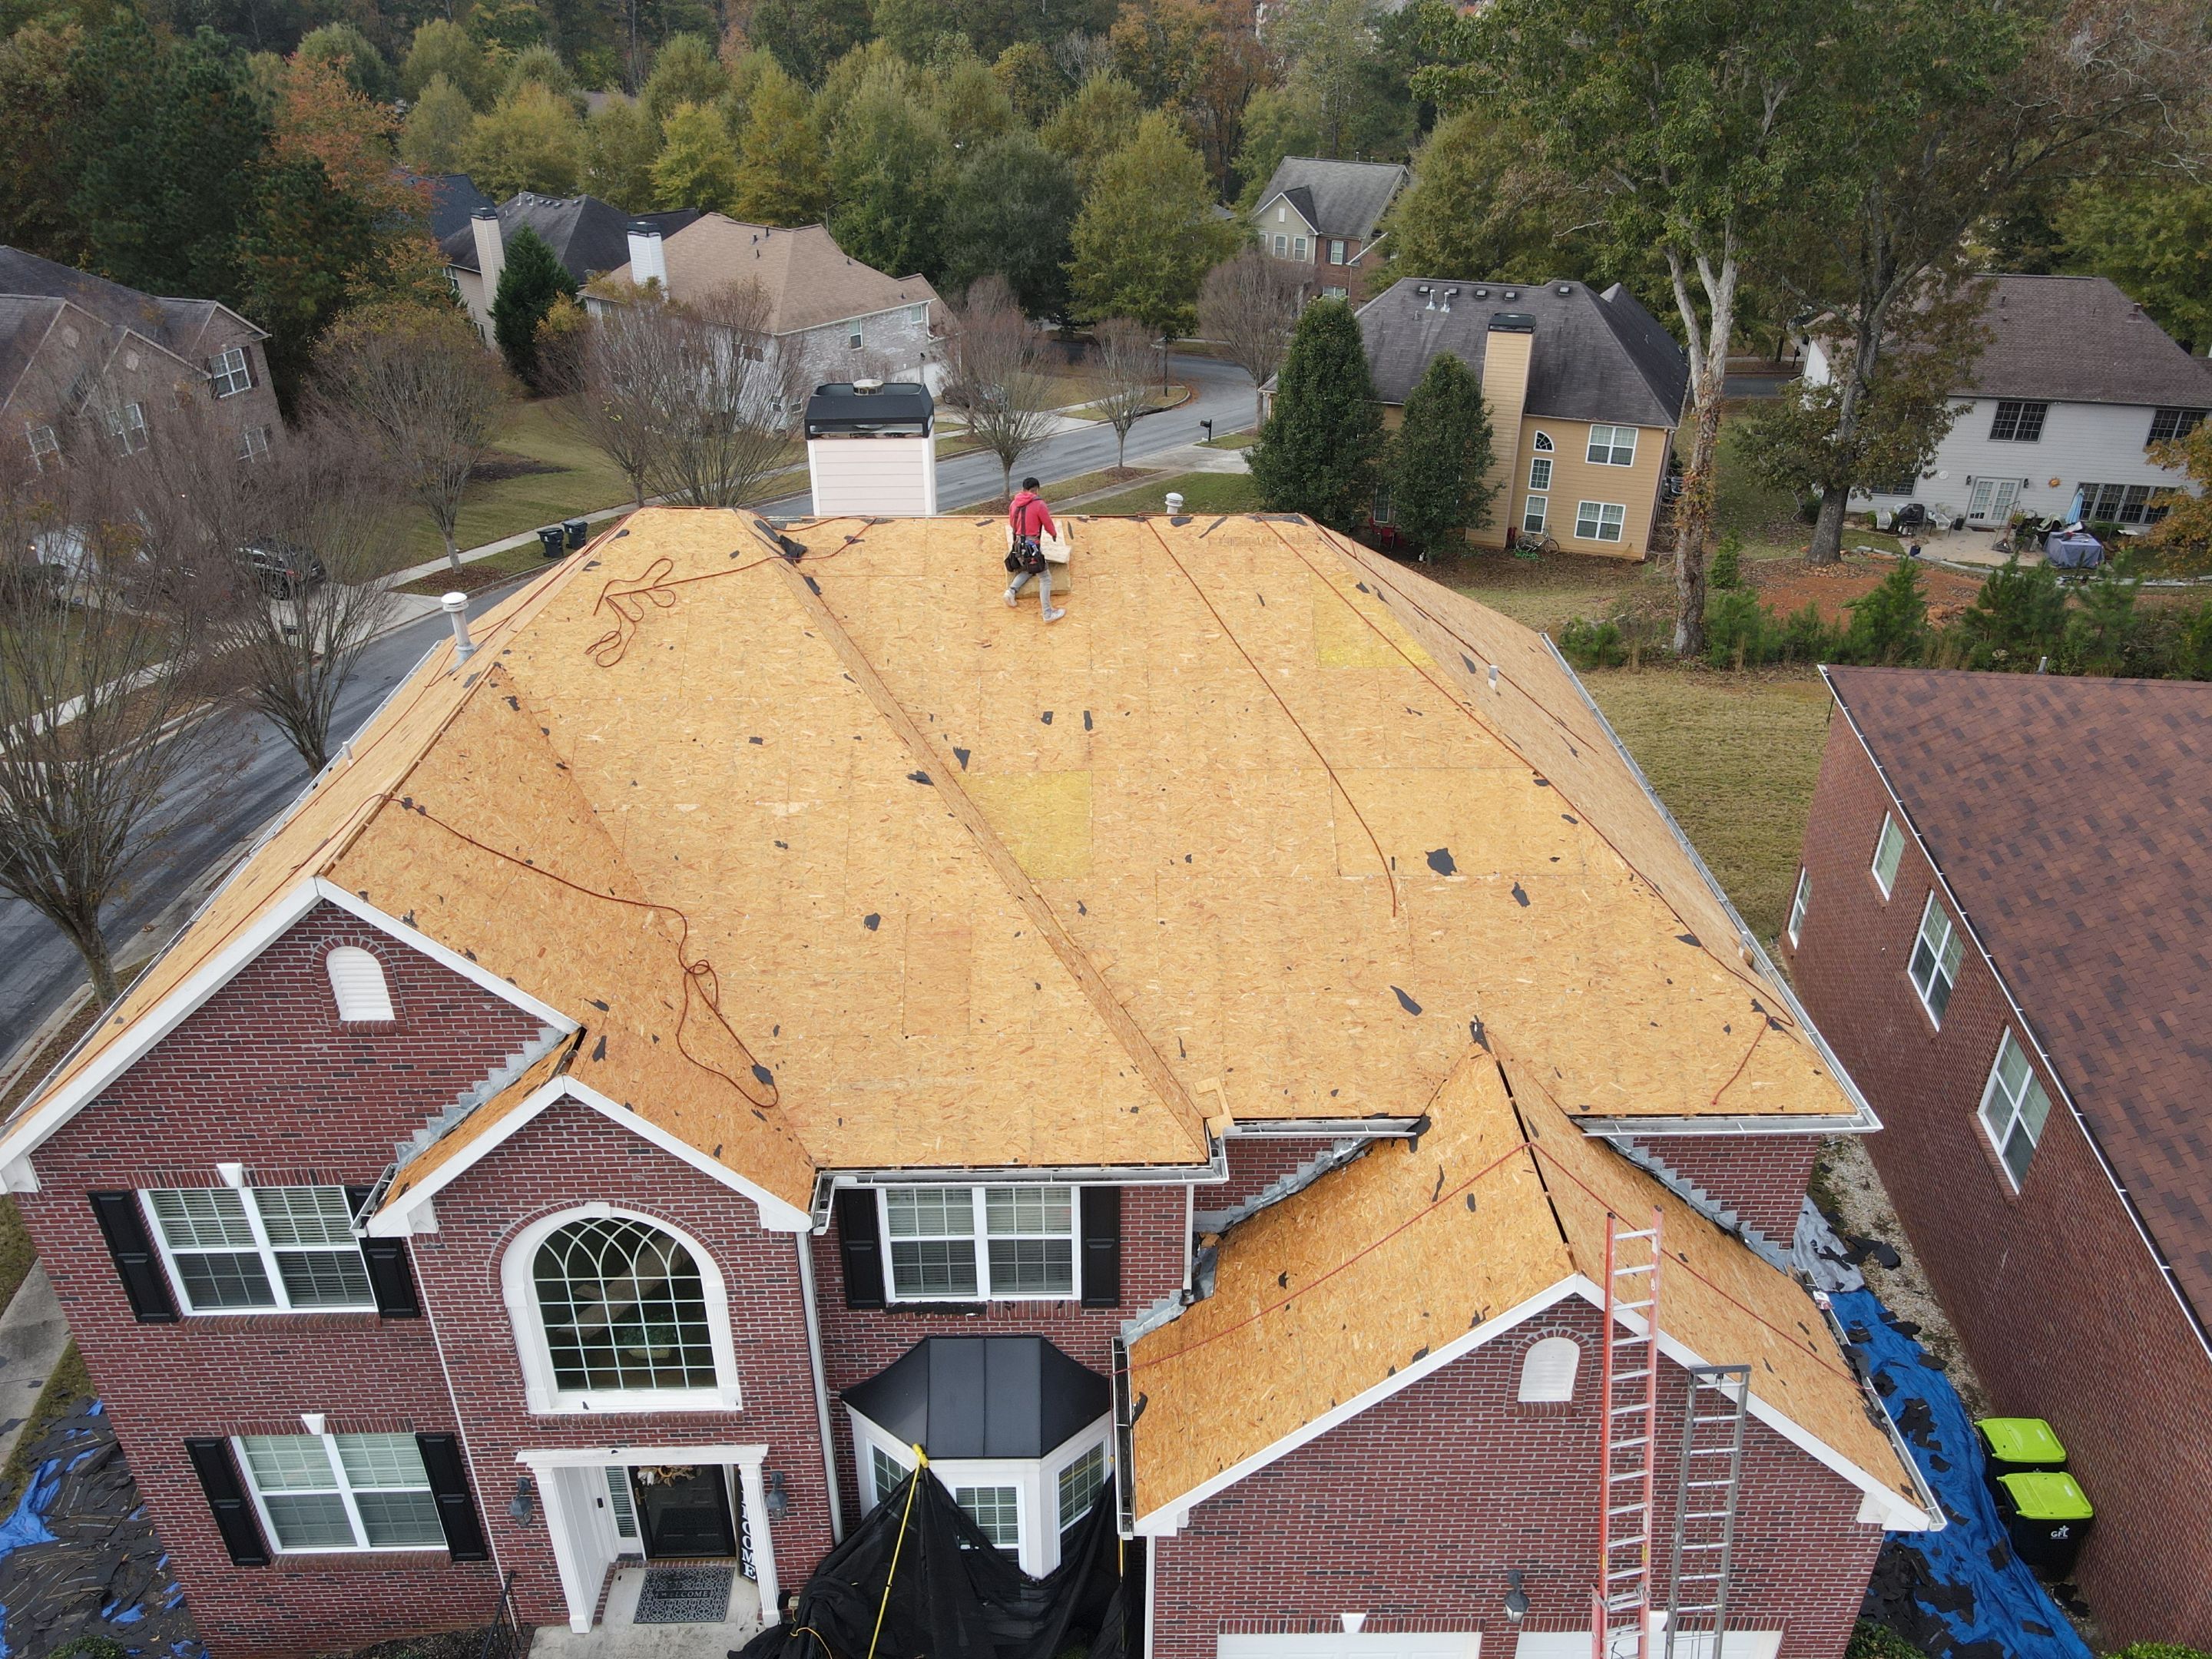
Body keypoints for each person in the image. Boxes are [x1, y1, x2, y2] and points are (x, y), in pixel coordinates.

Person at [1004, 477, 1065, 623]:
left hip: (1018, 545)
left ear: (1023, 489)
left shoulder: (1014, 504)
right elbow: (1047, 523)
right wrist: (1054, 535)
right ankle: (1048, 613)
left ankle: (1011, 591)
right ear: (1036, 489)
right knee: (1045, 577)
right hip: (1032, 547)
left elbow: (1012, 523)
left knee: (1029, 569)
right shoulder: (1039, 504)